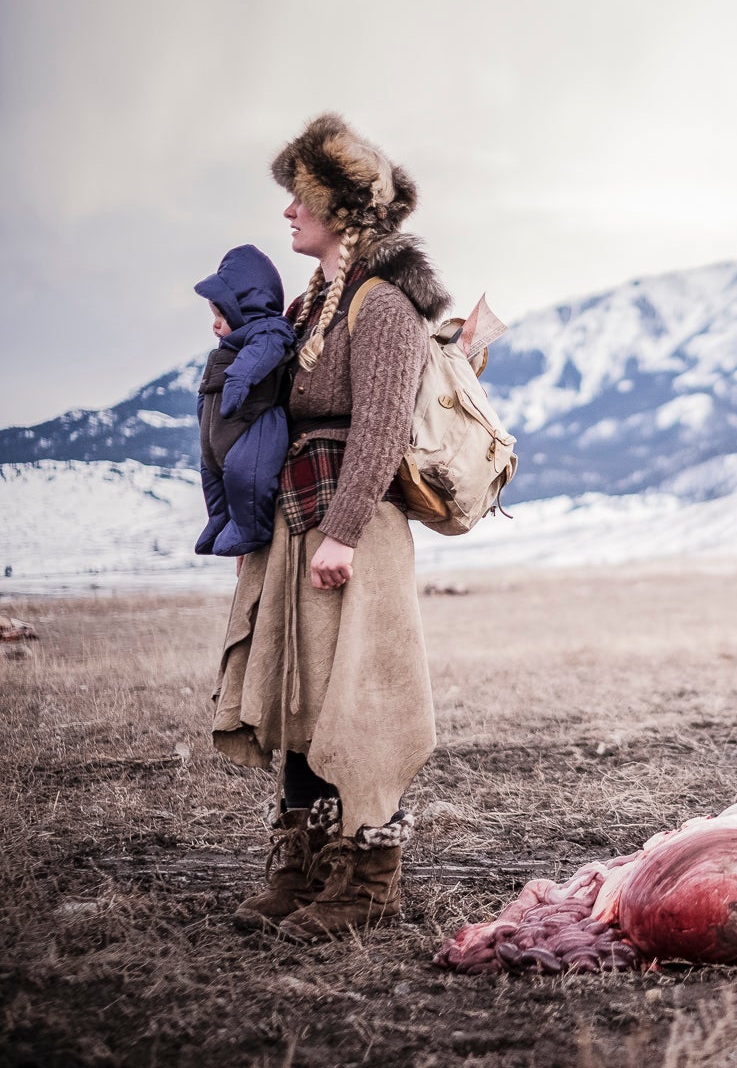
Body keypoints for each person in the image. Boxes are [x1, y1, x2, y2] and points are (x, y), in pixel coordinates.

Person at [211, 113, 451, 942]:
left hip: (354, 526)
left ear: (342, 208)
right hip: (301, 519)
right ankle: (305, 864)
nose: (287, 214)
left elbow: (381, 427)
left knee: (365, 702)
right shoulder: (320, 300)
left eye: (300, 198)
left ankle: (368, 878)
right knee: (309, 700)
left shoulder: (381, 305)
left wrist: (344, 531)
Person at [193, 245, 295, 557]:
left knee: (244, 474)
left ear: (245, 309)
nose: (215, 324)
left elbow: (257, 358)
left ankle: (251, 528)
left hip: (254, 425)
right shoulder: (228, 347)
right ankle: (220, 518)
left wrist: (237, 383)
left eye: (221, 314)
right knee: (210, 469)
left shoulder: (268, 330)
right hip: (220, 432)